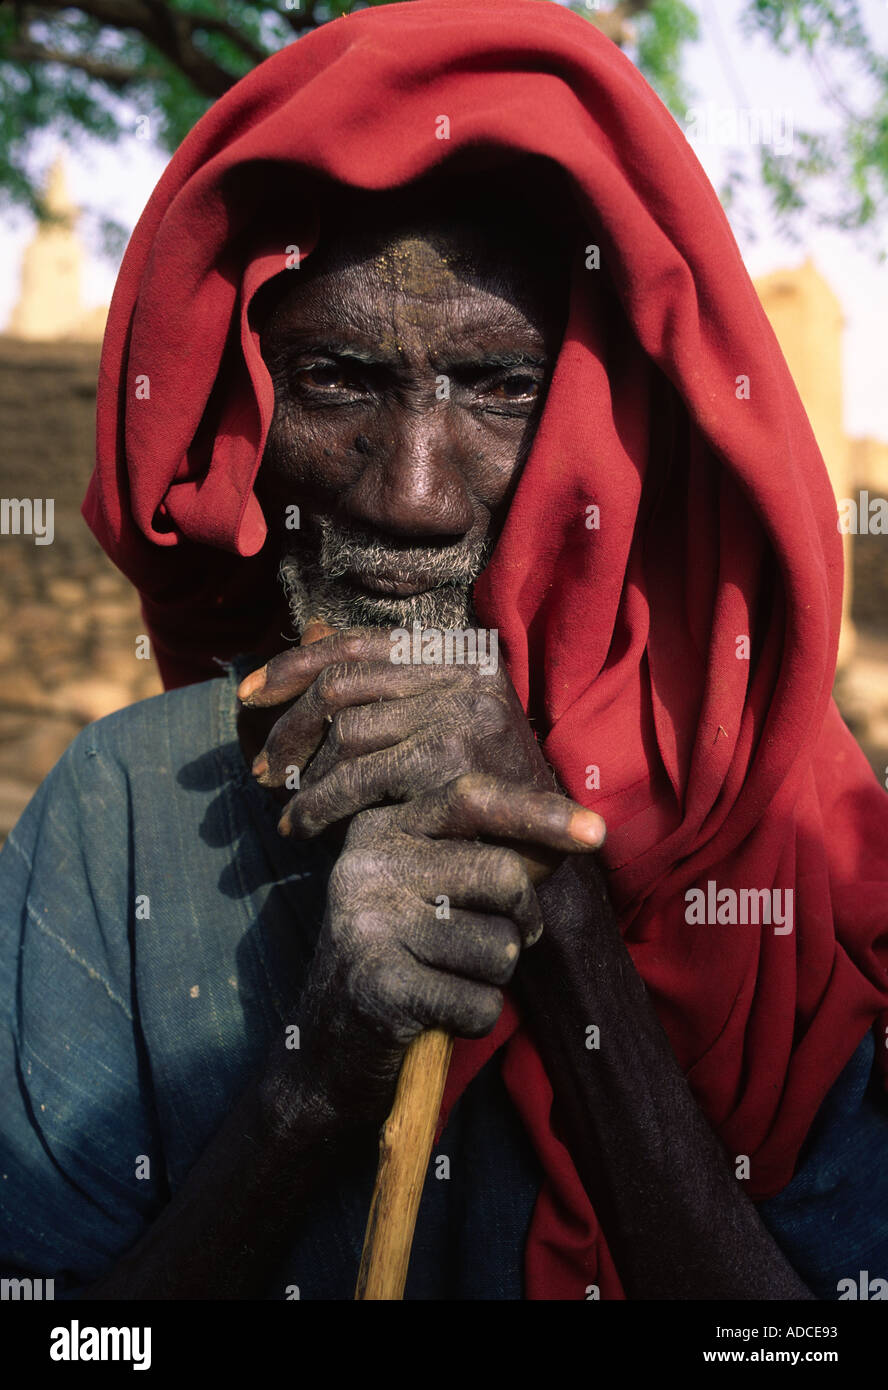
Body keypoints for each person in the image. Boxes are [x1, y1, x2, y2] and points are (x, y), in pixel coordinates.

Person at [1, 0, 887, 1302]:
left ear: (612, 418)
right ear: (247, 412)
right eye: (337, 379)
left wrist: (565, 922)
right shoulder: (127, 812)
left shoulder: (786, 835)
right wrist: (314, 1082)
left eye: (501, 389)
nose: (412, 496)